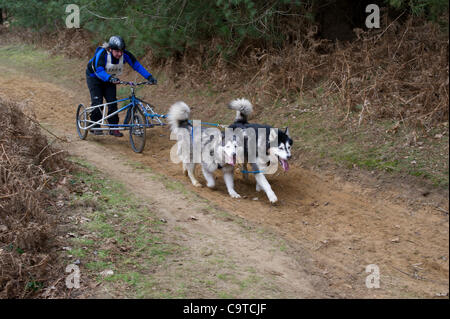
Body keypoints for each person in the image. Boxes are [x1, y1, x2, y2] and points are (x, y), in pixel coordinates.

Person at [85, 35, 157, 136]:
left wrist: (149, 77)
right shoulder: (102, 54)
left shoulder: (125, 55)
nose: (120, 53)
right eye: (117, 51)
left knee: (113, 103)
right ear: (110, 49)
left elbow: (137, 66)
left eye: (121, 51)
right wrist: (110, 78)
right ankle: (94, 125)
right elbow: (99, 70)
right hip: (94, 78)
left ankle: (113, 127)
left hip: (109, 79)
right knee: (98, 102)